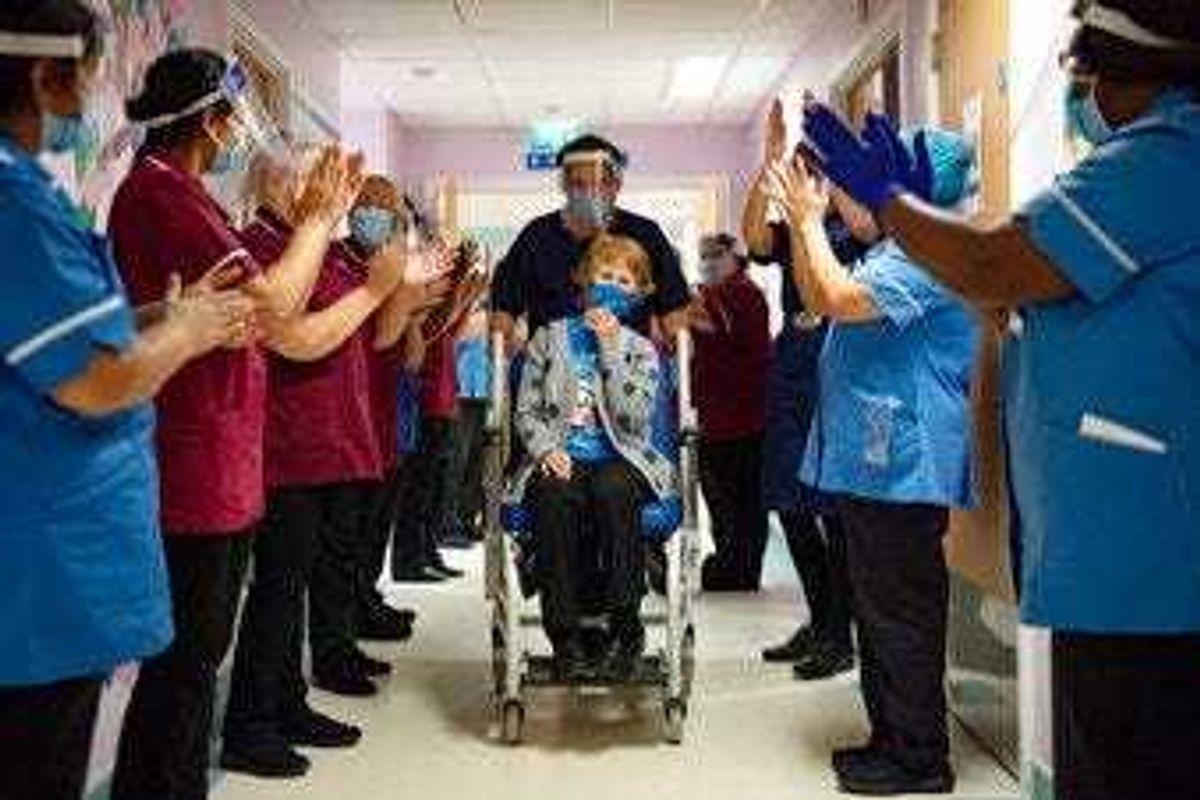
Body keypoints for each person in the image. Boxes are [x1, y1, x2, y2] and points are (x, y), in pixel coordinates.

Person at [802, 3, 1200, 798]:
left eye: (1085, 73)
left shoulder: (1169, 154)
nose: (1081, 93)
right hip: (1119, 543)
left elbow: (991, 265)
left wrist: (892, 204)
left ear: (1137, 70)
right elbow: (1023, 294)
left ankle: (913, 751)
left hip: (1149, 547)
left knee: (1132, 752)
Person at [0, 6, 256, 798]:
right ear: (43, 76)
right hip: (43, 566)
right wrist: (190, 332)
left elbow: (54, 338)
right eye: (85, 78)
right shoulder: (15, 205)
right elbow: (96, 379)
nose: (92, 100)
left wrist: (157, 320)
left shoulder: (26, 196)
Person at [107, 48, 363, 800]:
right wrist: (319, 219)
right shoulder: (160, 195)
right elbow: (276, 306)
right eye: (231, 119)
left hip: (218, 460)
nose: (238, 135)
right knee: (186, 669)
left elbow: (249, 309)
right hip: (193, 467)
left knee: (190, 666)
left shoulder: (184, 196)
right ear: (211, 121)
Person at [768, 120, 980, 795]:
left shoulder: (927, 255)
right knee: (878, 609)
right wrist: (802, 224)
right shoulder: (894, 250)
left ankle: (920, 759)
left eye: (856, 189)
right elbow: (815, 294)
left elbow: (834, 299)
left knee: (900, 613)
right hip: (875, 465)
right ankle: (891, 739)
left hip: (904, 467)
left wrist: (807, 221)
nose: (843, 200)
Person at [218, 156, 422, 777]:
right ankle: (251, 725)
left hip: (326, 445)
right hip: (288, 448)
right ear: (274, 184)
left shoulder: (320, 251)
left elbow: (368, 333)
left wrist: (394, 289)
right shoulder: (259, 246)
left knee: (296, 588)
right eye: (315, 179)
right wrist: (376, 291)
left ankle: (287, 704)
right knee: (277, 593)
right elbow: (296, 335)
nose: (329, 194)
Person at [506, 234, 676, 682]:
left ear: (637, 295)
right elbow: (525, 411)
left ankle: (625, 627)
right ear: (585, 280)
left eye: (624, 281)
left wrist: (610, 348)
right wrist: (546, 449)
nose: (612, 286)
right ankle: (565, 639)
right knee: (553, 494)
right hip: (560, 454)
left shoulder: (641, 350)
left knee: (612, 488)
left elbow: (633, 420)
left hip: (622, 456)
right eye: (605, 275)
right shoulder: (549, 339)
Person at [743, 100, 869, 680]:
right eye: (800, 167)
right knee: (788, 502)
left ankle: (841, 633)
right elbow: (753, 237)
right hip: (793, 369)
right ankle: (822, 620)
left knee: (834, 510)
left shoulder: (854, 226)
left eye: (812, 167)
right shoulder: (793, 228)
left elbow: (865, 229)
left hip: (837, 368)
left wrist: (834, 176)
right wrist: (769, 163)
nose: (804, 176)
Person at [347, 180, 443, 639]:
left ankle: (366, 597)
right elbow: (377, 338)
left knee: (377, 518)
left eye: (383, 208)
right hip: (357, 412)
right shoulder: (347, 266)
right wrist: (404, 301)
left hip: (393, 406)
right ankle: (353, 610)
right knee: (356, 526)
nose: (372, 214)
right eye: (365, 205)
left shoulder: (398, 269)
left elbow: (411, 356)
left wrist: (416, 312)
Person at [490, 134, 690, 344]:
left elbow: (673, 310)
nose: (591, 193)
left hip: (628, 361)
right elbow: (504, 308)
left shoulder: (646, 234)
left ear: (617, 184)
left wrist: (679, 346)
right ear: (564, 185)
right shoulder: (536, 236)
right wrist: (500, 344)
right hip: (551, 360)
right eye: (579, 184)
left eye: (602, 183)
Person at [689, 233, 771, 591]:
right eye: (703, 255)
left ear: (736, 257)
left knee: (737, 500)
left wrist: (691, 308)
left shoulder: (742, 294)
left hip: (740, 417)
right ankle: (735, 566)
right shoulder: (717, 294)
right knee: (727, 499)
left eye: (716, 255)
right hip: (719, 414)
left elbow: (720, 334)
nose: (708, 262)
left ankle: (739, 569)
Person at [447, 296, 492, 545]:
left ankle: (466, 518)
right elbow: (451, 340)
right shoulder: (462, 305)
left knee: (476, 462)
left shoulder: (493, 312)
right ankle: (447, 521)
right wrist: (471, 319)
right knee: (457, 460)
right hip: (459, 390)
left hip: (485, 392)